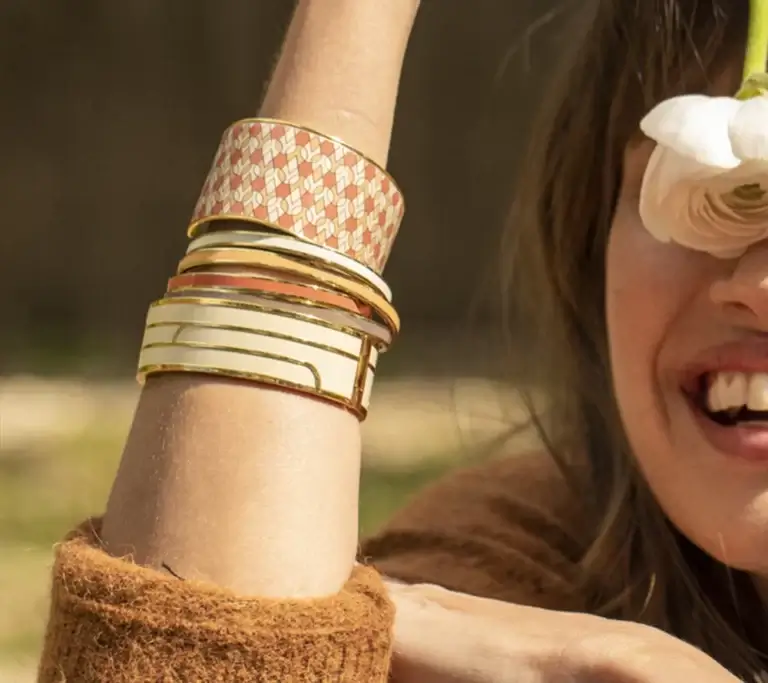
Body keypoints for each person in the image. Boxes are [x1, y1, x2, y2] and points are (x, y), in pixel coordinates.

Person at [34, 0, 768, 680]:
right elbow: (197, 652)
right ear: (590, 235)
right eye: (719, 190)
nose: (757, 287)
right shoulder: (526, 560)